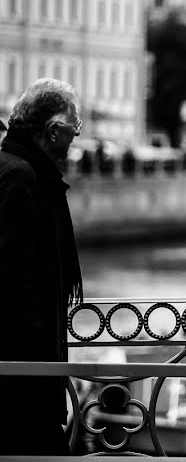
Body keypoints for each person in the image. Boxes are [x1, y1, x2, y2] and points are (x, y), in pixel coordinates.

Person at [0, 78, 84, 455]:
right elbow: (14, 282)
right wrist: (40, 366)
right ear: (52, 131)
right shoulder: (21, 178)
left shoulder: (17, 170)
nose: (74, 139)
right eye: (73, 130)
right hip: (23, 380)